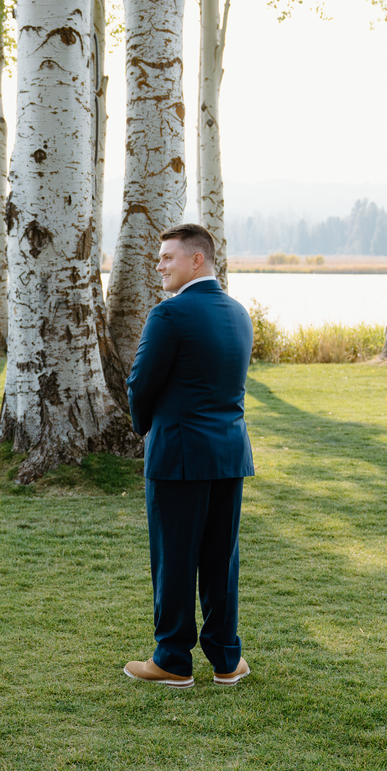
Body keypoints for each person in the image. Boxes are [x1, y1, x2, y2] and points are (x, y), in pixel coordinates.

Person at [122, 223, 255, 689]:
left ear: (197, 260)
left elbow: (140, 384)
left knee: (175, 558)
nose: (159, 265)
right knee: (222, 560)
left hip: (178, 455)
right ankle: (226, 660)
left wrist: (144, 428)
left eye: (167, 257)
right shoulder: (240, 313)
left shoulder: (169, 315)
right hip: (230, 454)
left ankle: (173, 660)